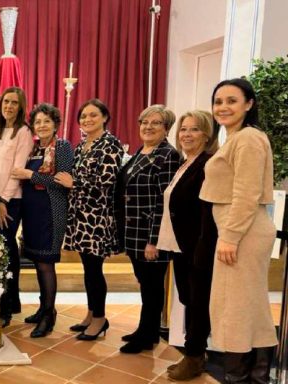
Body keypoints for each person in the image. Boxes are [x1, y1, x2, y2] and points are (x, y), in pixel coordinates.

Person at [199, 78, 277, 383]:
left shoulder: (248, 138)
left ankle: (238, 377)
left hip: (242, 229)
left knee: (235, 306)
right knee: (249, 305)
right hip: (239, 226)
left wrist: (230, 237)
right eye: (218, 101)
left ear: (249, 104)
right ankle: (255, 376)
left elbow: (247, 192)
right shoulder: (235, 138)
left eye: (232, 100)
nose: (223, 107)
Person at [114, 105, 181, 353]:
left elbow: (166, 201)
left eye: (155, 123)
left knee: (152, 286)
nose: (148, 127)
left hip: (150, 235)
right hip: (133, 232)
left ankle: (147, 334)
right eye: (144, 122)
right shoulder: (142, 152)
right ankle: (146, 329)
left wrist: (154, 240)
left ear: (166, 129)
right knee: (145, 283)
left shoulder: (168, 155)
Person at [157, 110, 218, 381]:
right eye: (183, 129)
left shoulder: (208, 164)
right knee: (187, 299)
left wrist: (202, 249)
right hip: (179, 245)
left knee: (197, 302)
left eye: (194, 129)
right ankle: (194, 354)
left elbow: (208, 212)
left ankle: (194, 356)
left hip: (197, 247)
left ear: (206, 135)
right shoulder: (185, 162)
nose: (186, 135)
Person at [56, 98, 123, 341]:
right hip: (80, 216)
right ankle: (91, 313)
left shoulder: (111, 144)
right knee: (88, 269)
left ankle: (100, 319)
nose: (87, 120)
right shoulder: (82, 144)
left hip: (96, 217)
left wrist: (75, 183)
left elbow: (107, 182)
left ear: (105, 117)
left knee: (95, 270)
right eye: (83, 116)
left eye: (93, 115)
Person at [10, 103, 73, 337]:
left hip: (51, 211)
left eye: (47, 121)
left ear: (55, 123)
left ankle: (49, 314)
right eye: (38, 122)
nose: (42, 125)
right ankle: (42, 307)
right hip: (33, 213)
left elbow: (62, 181)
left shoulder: (63, 147)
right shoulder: (35, 149)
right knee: (37, 261)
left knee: (46, 264)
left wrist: (30, 174)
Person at [0, 87, 33, 327]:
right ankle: (4, 302)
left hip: (11, 199)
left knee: (6, 250)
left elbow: (16, 170)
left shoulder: (23, 132)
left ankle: (8, 306)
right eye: (6, 102)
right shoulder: (1, 129)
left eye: (14, 103)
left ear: (20, 106)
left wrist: (4, 200)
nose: (9, 106)